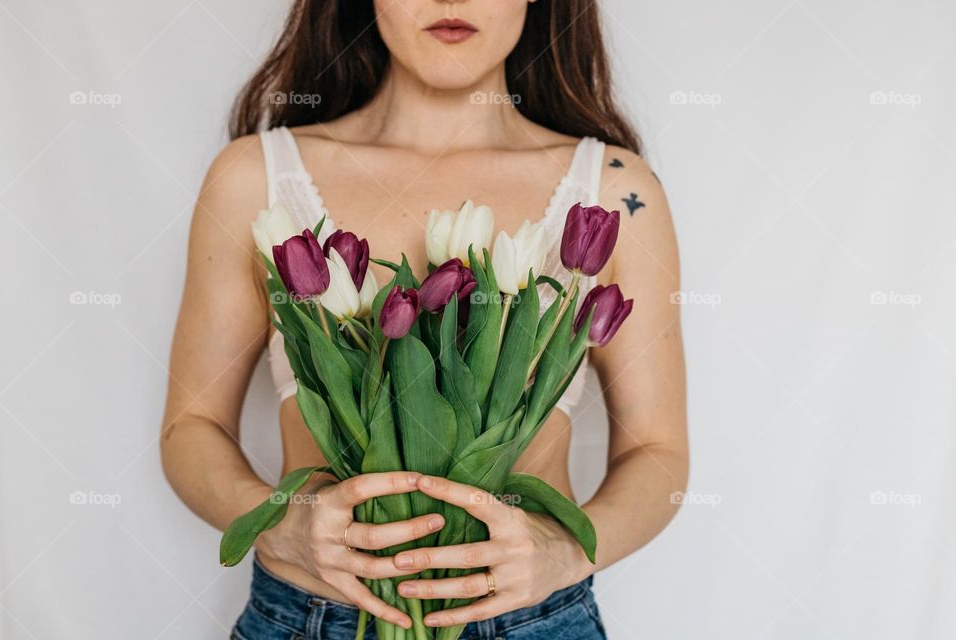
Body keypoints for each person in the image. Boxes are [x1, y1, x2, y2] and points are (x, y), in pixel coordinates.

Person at [161, 1, 687, 638]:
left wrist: (563, 554)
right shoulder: (255, 177)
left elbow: (659, 457)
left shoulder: (614, 190)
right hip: (310, 614)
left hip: (532, 620)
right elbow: (192, 428)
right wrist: (282, 525)